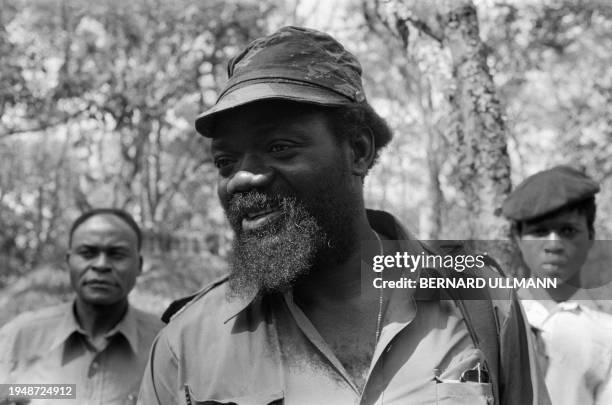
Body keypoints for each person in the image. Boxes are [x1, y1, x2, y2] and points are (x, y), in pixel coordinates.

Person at [138, 26, 548, 405]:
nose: (242, 178)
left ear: (358, 151)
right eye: (225, 163)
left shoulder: (477, 300)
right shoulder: (188, 344)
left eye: (280, 147)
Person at [0, 208, 163, 405]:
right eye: (88, 253)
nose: (101, 265)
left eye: (117, 254)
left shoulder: (165, 346)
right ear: (69, 261)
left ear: (139, 265)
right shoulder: (19, 338)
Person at [503, 165, 612, 405]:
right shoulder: (496, 317)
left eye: (568, 231)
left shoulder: (606, 333)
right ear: (517, 238)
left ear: (591, 235)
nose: (553, 244)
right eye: (540, 231)